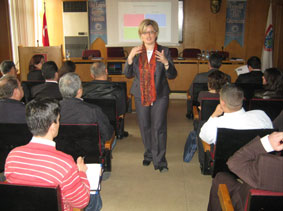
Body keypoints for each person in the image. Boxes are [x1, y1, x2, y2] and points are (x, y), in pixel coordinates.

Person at [4, 98, 91, 211]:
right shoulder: (65, 163)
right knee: (94, 201)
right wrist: (82, 173)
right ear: (53, 126)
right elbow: (81, 202)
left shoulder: (12, 156)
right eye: (58, 120)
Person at [124, 19, 177, 173]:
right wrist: (129, 58)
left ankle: (160, 160)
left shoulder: (164, 51)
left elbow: (172, 75)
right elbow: (127, 74)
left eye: (151, 32)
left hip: (160, 95)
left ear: (156, 34)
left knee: (159, 127)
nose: (148, 35)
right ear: (140, 35)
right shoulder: (136, 52)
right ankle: (149, 154)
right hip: (140, 95)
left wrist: (167, 63)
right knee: (144, 126)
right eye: (145, 32)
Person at [207, 131, 283, 211]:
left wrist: (267, 142)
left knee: (220, 178)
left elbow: (235, 163)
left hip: (244, 203)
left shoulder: (271, 166)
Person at [199, 83, 273, 145]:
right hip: (258, 159)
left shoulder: (216, 123)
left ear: (222, 102)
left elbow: (204, 137)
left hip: (227, 161)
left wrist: (214, 115)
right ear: (242, 99)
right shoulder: (261, 115)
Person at [59, 72, 114, 149]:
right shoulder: (94, 110)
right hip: (91, 155)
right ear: (79, 91)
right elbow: (107, 135)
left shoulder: (52, 111)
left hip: (61, 153)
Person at [83, 62, 128, 139]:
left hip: (90, 124)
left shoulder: (83, 89)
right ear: (106, 71)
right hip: (110, 126)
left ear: (92, 75)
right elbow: (122, 111)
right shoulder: (118, 90)